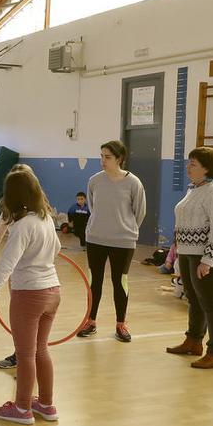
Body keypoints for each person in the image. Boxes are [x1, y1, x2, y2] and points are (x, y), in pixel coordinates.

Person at [0, 170, 62, 425]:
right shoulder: (45, 217)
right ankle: (46, 405)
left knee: (25, 354)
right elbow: (57, 248)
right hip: (53, 291)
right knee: (40, 350)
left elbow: (6, 265)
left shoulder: (23, 225)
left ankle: (22, 408)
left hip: (29, 294)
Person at [166, 147, 213, 368]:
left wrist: (208, 260)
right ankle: (193, 341)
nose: (188, 167)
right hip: (188, 252)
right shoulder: (194, 188)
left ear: (207, 169)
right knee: (194, 299)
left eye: (193, 164)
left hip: (207, 255)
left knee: (211, 303)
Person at [80, 140, 146, 342]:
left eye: (107, 157)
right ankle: (90, 321)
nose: (103, 160)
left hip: (123, 242)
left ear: (119, 159)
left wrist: (126, 230)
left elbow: (139, 212)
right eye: (101, 156)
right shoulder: (94, 180)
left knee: (120, 282)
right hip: (96, 239)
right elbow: (93, 206)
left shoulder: (133, 182)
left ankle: (121, 324)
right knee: (95, 281)